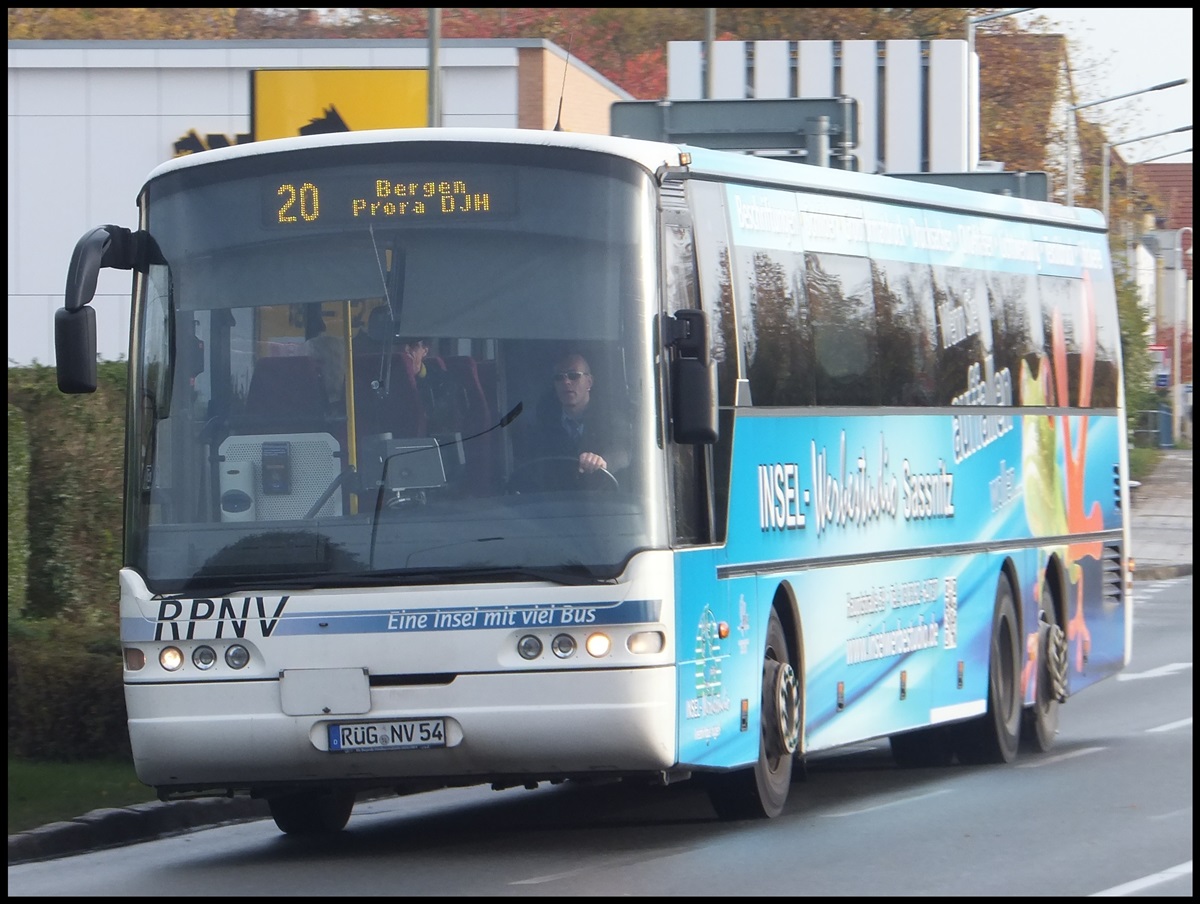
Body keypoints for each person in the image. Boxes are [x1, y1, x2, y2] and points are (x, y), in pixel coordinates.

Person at [523, 351, 631, 478]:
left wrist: (603, 462)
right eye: (559, 377)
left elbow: (624, 453)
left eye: (573, 375)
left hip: (601, 495)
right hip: (553, 496)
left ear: (589, 382)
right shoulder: (540, 424)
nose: (566, 382)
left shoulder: (612, 420)